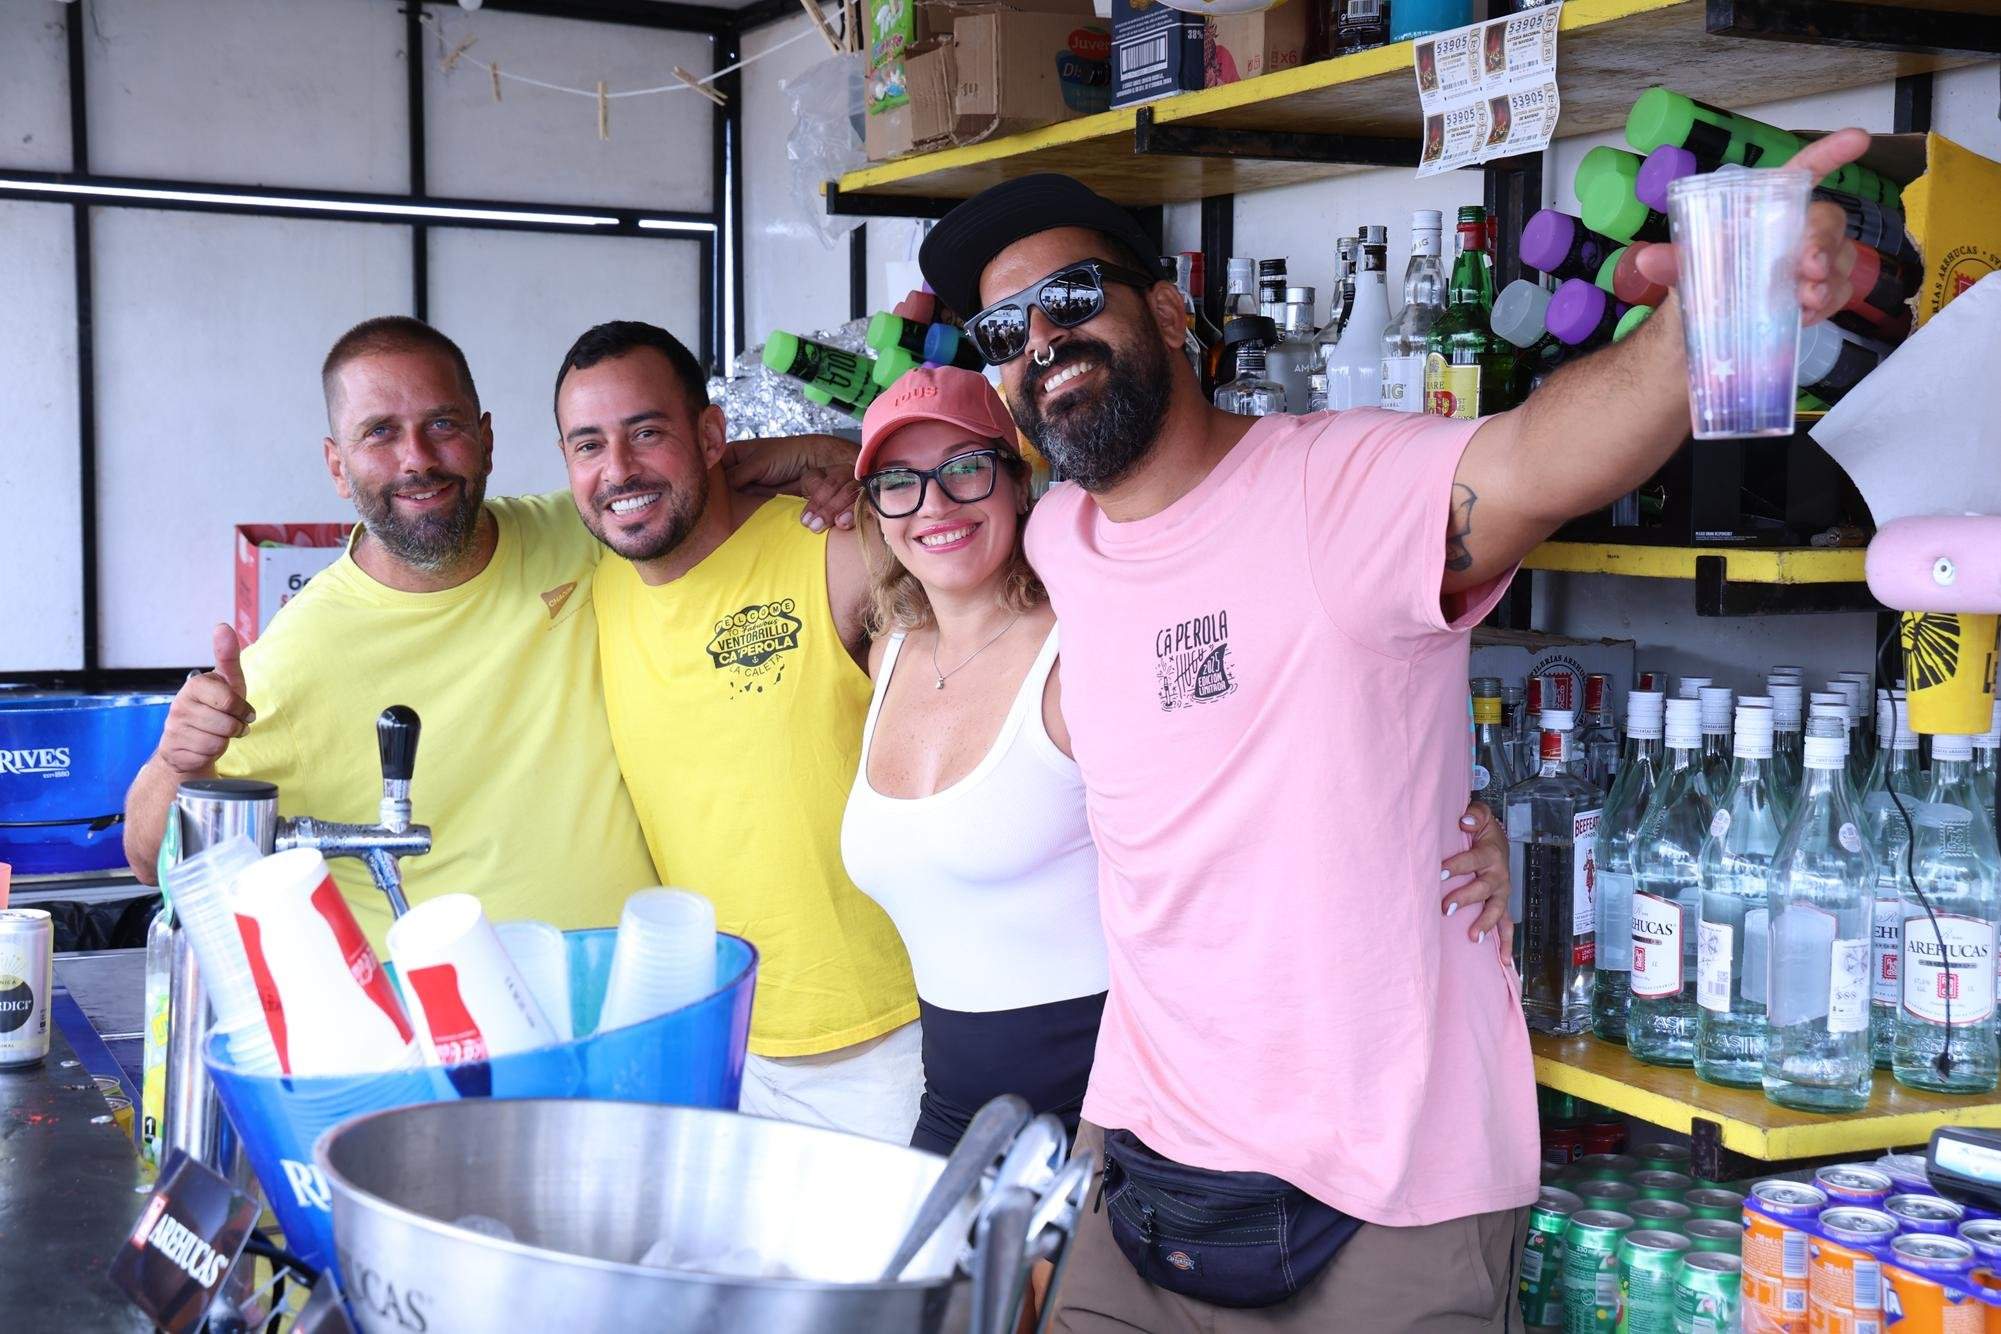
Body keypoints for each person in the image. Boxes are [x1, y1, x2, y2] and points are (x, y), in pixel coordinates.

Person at [906, 139, 1869, 1331]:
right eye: (1003, 331)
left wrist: (1704, 315)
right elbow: (878, 536)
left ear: (1165, 306)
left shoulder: (1338, 485)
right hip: (1147, 1155)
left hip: (1387, 1191)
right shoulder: (1058, 540)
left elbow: (1534, 460)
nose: (1039, 341)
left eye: (1067, 299)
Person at [839, 364, 1517, 1157]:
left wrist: (1453, 833)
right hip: (951, 1104)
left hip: (1104, 1097)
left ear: (1018, 482)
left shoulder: (1088, 637)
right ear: (873, 511)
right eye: (899, 482)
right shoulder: (889, 652)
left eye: (964, 469)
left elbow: (1266, 772)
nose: (935, 504)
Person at [122, 317, 657, 945]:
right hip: (443, 1026)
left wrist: (802, 458)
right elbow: (149, 862)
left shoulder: (591, 530)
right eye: (380, 433)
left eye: (442, 424)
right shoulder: (294, 657)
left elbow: (699, 482)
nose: (418, 460)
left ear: (486, 438)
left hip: (635, 998)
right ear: (337, 466)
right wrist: (174, 761)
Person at [554, 320, 921, 1142]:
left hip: (889, 1041)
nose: (617, 470)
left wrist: (840, 457)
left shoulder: (834, 545)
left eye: (646, 432)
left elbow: (993, 527)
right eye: (588, 446)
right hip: (721, 1049)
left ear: (710, 434)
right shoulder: (587, 586)